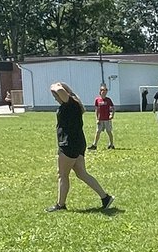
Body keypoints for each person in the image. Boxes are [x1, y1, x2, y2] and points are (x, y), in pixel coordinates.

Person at [47, 82, 113, 211]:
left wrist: (54, 86)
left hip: (68, 144)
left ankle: (61, 204)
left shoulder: (70, 103)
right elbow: (63, 91)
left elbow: (60, 89)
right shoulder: (75, 103)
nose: (55, 98)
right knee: (81, 173)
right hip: (78, 143)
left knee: (62, 174)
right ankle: (105, 197)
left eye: (55, 96)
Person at [90, 84, 116, 149]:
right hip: (100, 119)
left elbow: (113, 108)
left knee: (109, 131)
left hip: (107, 119)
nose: (103, 92)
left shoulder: (108, 100)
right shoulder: (97, 100)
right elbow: (96, 110)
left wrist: (112, 115)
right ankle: (94, 145)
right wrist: (97, 118)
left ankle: (111, 144)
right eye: (102, 90)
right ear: (100, 91)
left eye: (105, 90)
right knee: (98, 131)